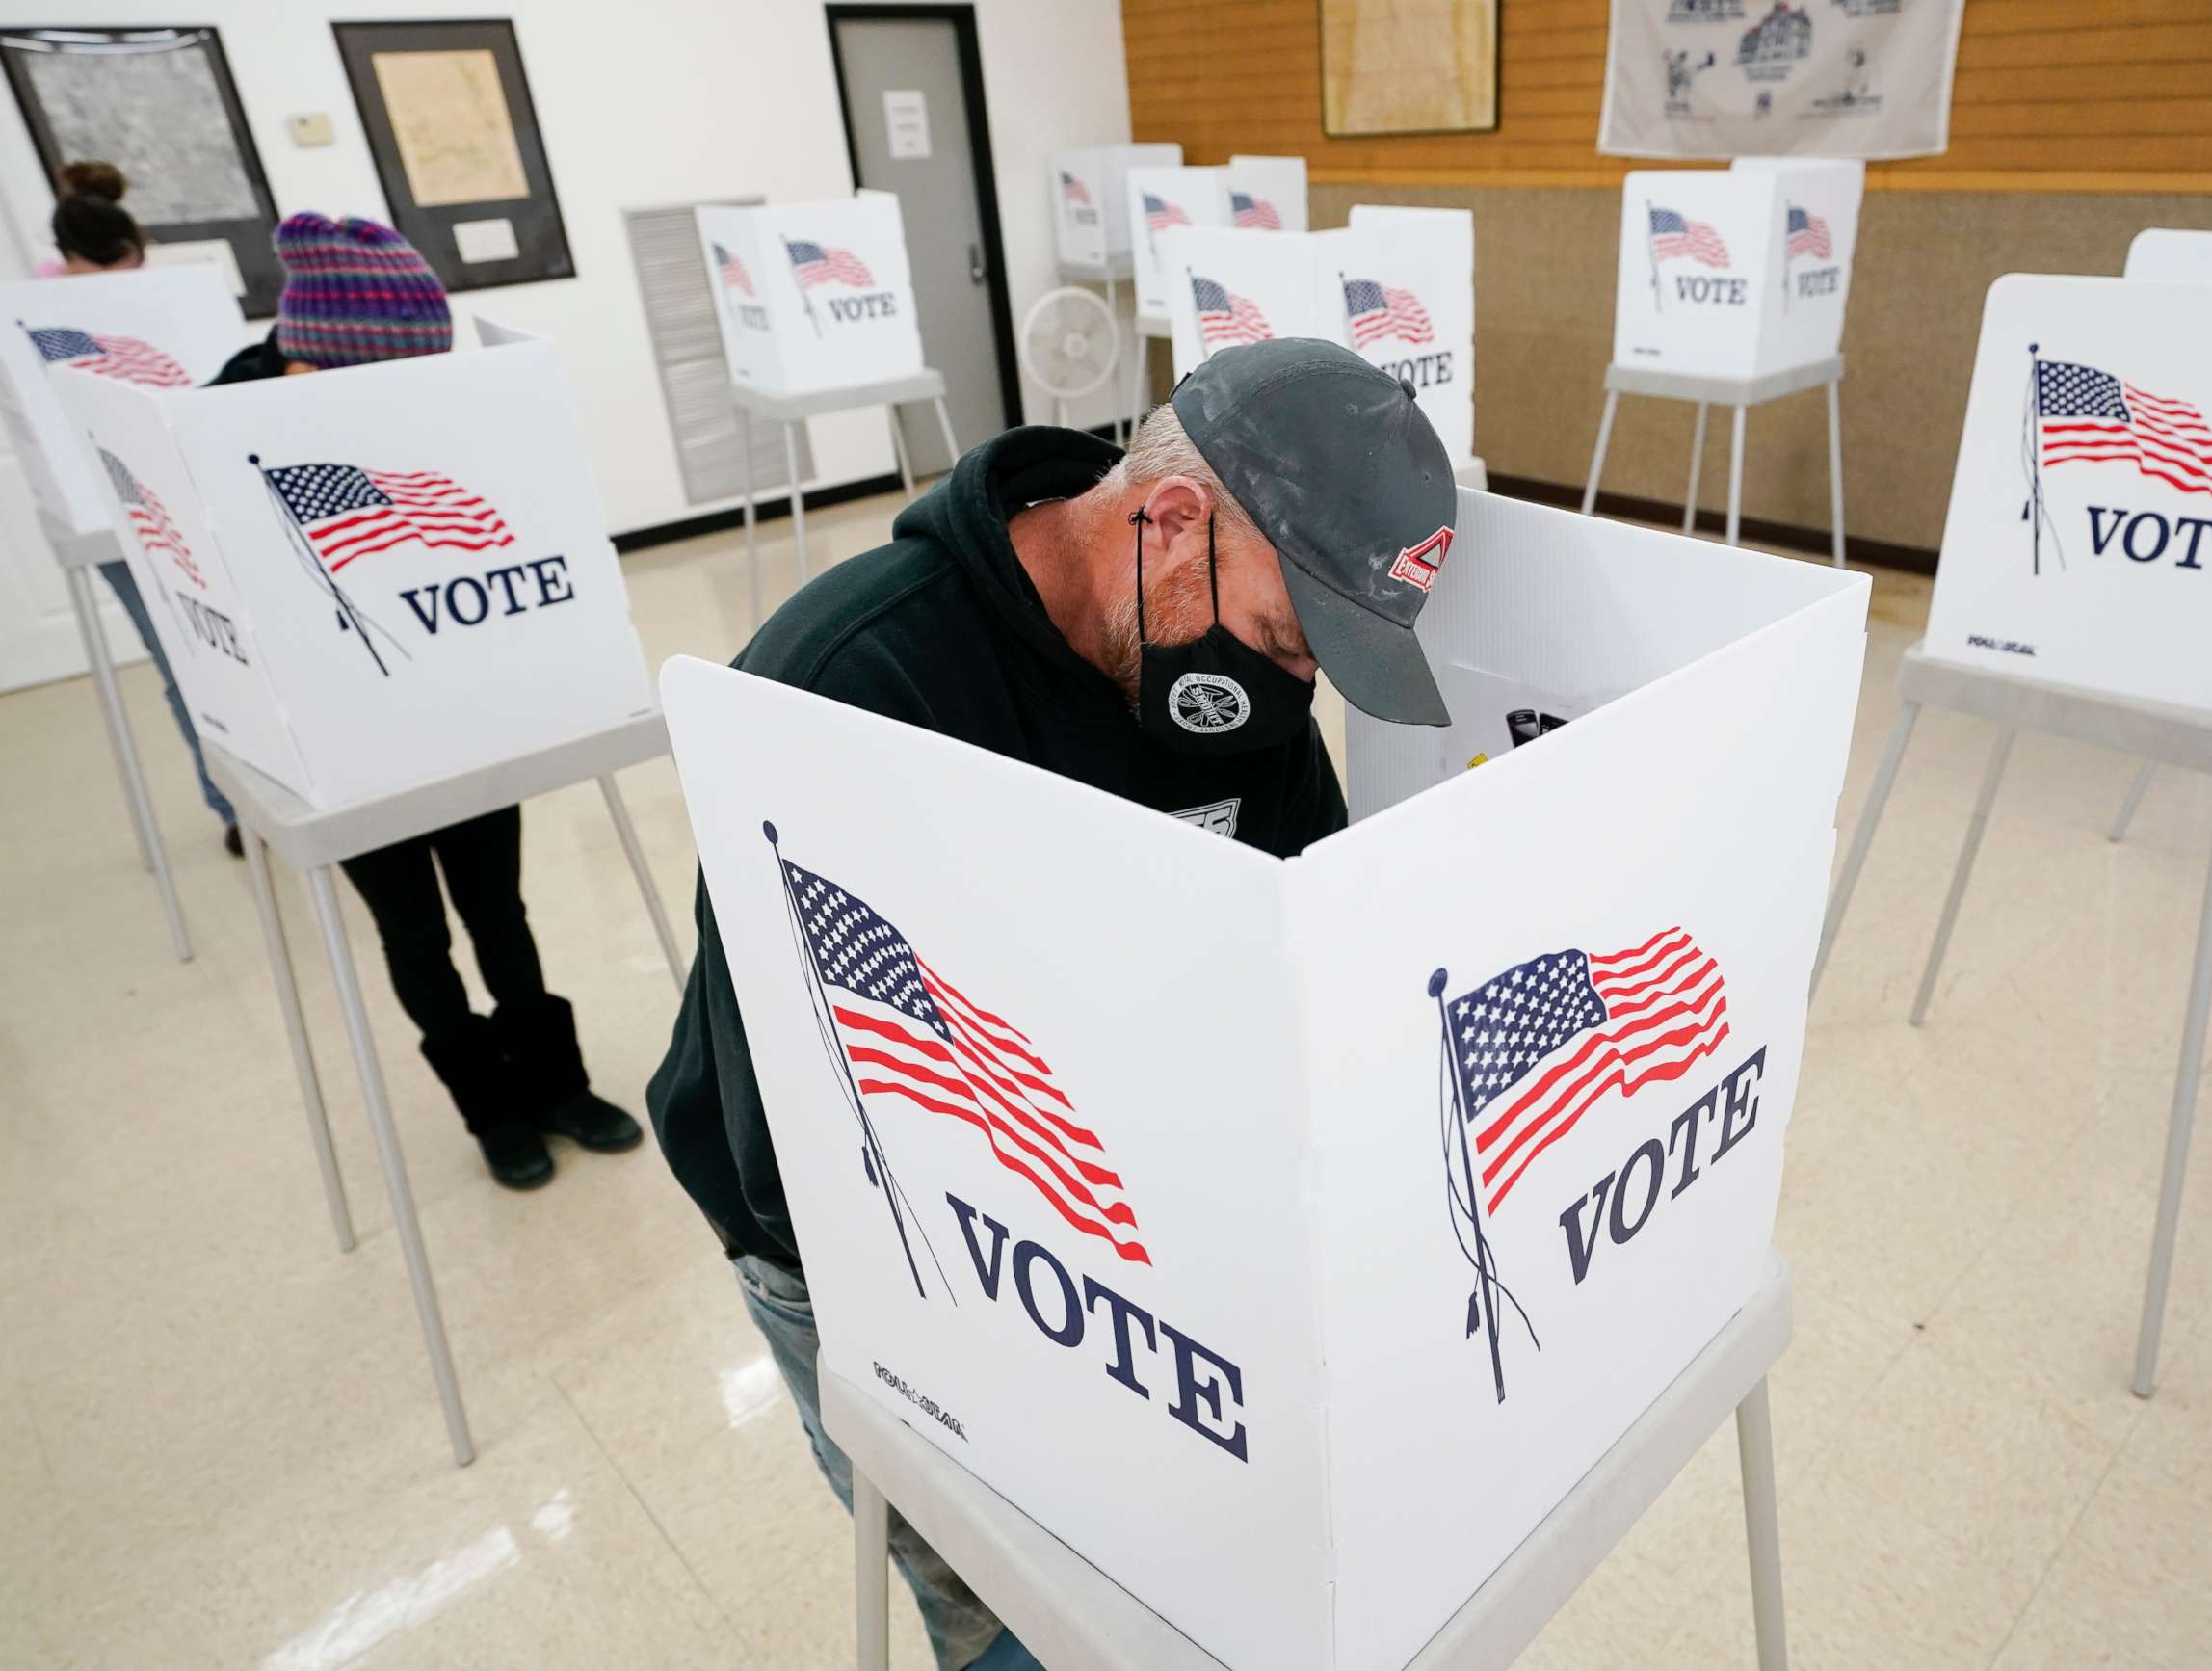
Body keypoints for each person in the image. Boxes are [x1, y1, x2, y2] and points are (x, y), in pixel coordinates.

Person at [647, 339, 1456, 1671]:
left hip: (1132, 1245)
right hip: (870, 1243)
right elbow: (797, 1122)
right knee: (1005, 1610)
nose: (1290, 689)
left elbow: (1298, 952)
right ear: (1173, 517)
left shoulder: (1243, 671)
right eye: (1281, 640)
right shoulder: (846, 685)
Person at [212, 213, 644, 1189]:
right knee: (414, 933)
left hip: (455, 707)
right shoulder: (218, 431)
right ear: (310, 357)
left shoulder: (418, 407)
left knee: (500, 909)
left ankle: (556, 1085)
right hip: (340, 739)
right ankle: (490, 1109)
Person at [41, 160, 242, 851]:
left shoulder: (168, 296)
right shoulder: (31, 313)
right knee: (176, 659)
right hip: (109, 510)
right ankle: (232, 806)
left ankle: (261, 785)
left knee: (231, 645)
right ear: (65, 262)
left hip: (186, 497)